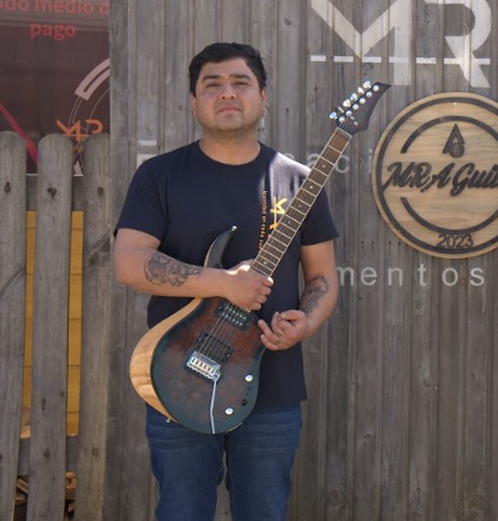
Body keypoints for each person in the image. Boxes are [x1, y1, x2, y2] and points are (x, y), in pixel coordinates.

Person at [114, 42, 339, 521]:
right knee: (182, 510)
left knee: (265, 511)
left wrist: (306, 323)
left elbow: (322, 278)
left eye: (240, 83)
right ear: (193, 101)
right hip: (179, 374)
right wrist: (221, 282)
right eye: (211, 85)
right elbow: (130, 263)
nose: (227, 93)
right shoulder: (160, 176)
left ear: (263, 95)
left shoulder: (300, 180)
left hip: (272, 382)